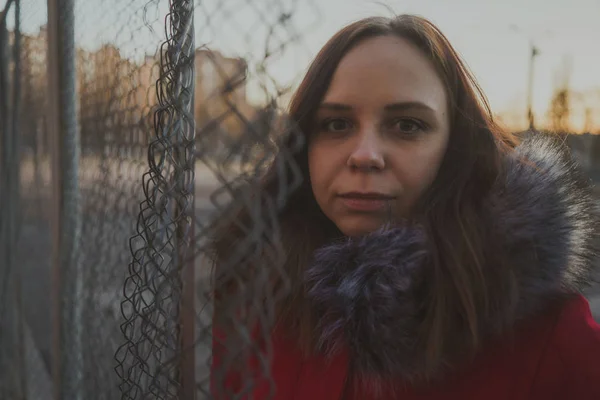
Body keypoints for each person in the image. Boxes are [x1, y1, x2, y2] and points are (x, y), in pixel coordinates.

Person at [210, 14, 600, 399]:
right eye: (335, 124)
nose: (365, 155)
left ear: (455, 148)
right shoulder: (254, 300)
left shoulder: (550, 336)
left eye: (407, 125)